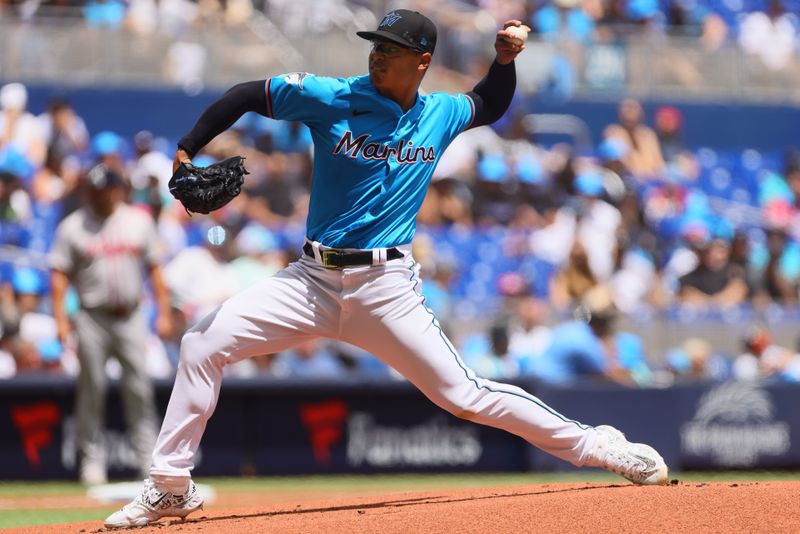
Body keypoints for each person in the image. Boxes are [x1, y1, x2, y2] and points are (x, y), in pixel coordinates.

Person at [105, 9, 668, 528]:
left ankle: (596, 445)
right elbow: (248, 94)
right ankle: (170, 485)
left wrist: (503, 61)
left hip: (386, 287)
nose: (377, 55)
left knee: (464, 395)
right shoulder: (334, 97)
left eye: (391, 49)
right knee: (202, 344)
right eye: (376, 45)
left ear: (421, 61)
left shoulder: (440, 113)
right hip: (310, 281)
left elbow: (490, 105)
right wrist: (185, 149)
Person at [49, 163, 174, 486]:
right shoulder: (72, 226)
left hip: (131, 315)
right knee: (91, 390)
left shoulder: (138, 221)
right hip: (92, 316)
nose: (98, 195)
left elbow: (156, 270)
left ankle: (149, 462)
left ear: (117, 190)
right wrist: (61, 319)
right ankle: (91, 463)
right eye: (93, 190)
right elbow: (59, 275)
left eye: (104, 189)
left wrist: (163, 312)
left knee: (139, 390)